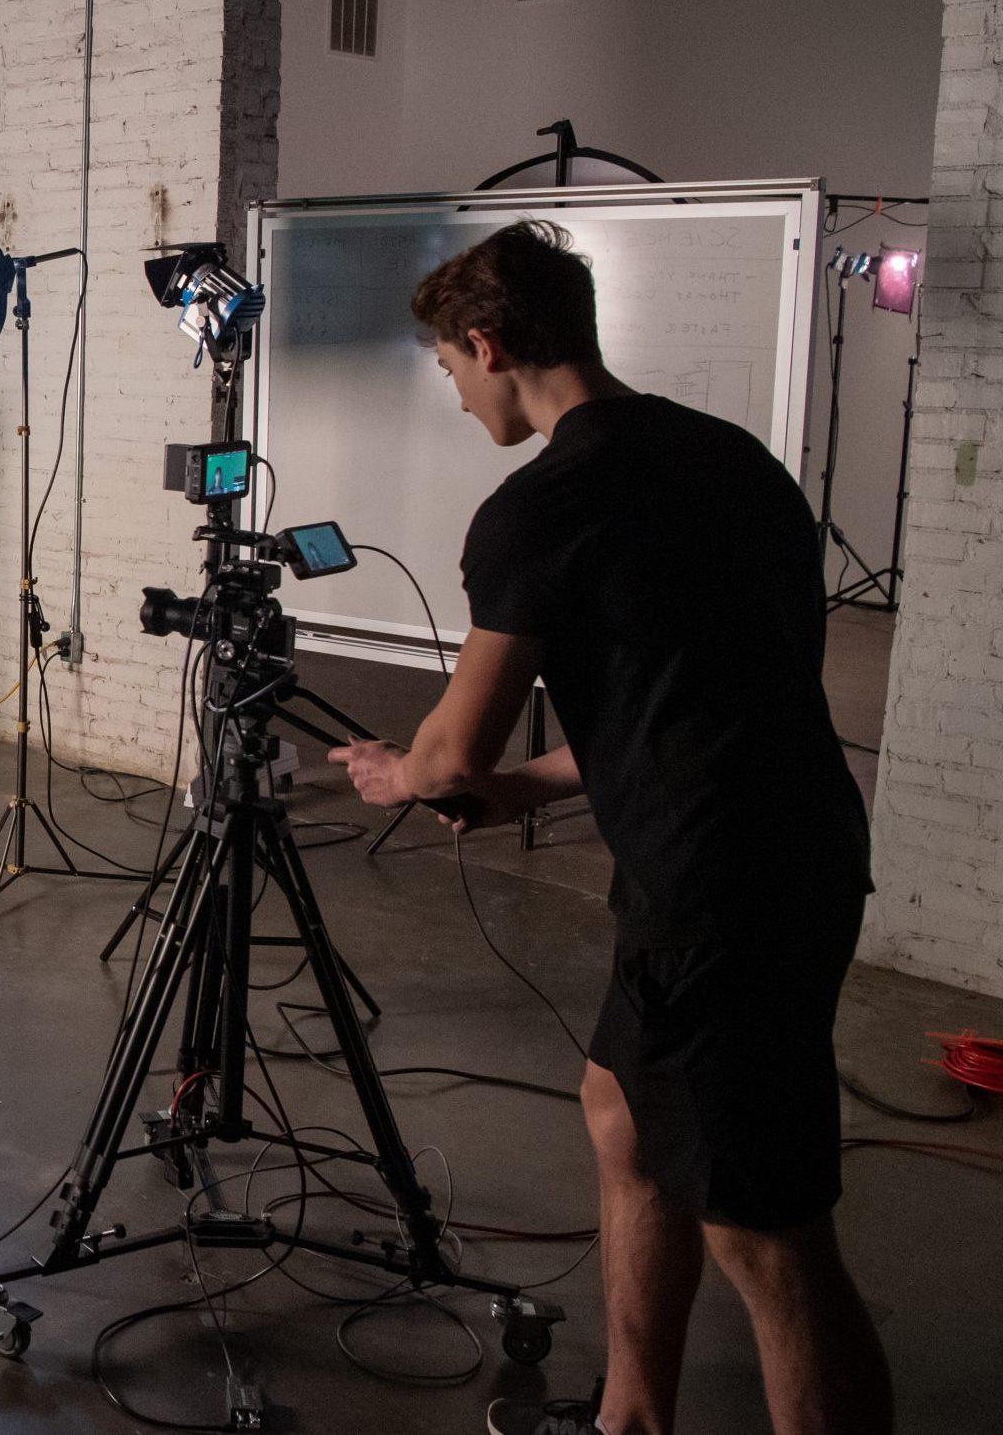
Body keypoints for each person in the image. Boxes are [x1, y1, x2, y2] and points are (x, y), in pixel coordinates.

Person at [326, 222, 889, 1435]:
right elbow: (682, 708)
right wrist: (512, 792)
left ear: (487, 344)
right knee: (618, 1108)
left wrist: (401, 773)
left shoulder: (541, 509)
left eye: (449, 368)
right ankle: (627, 1419)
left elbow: (450, 750)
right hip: (793, 852)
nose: (456, 393)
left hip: (714, 895)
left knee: (768, 1241)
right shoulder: (731, 462)